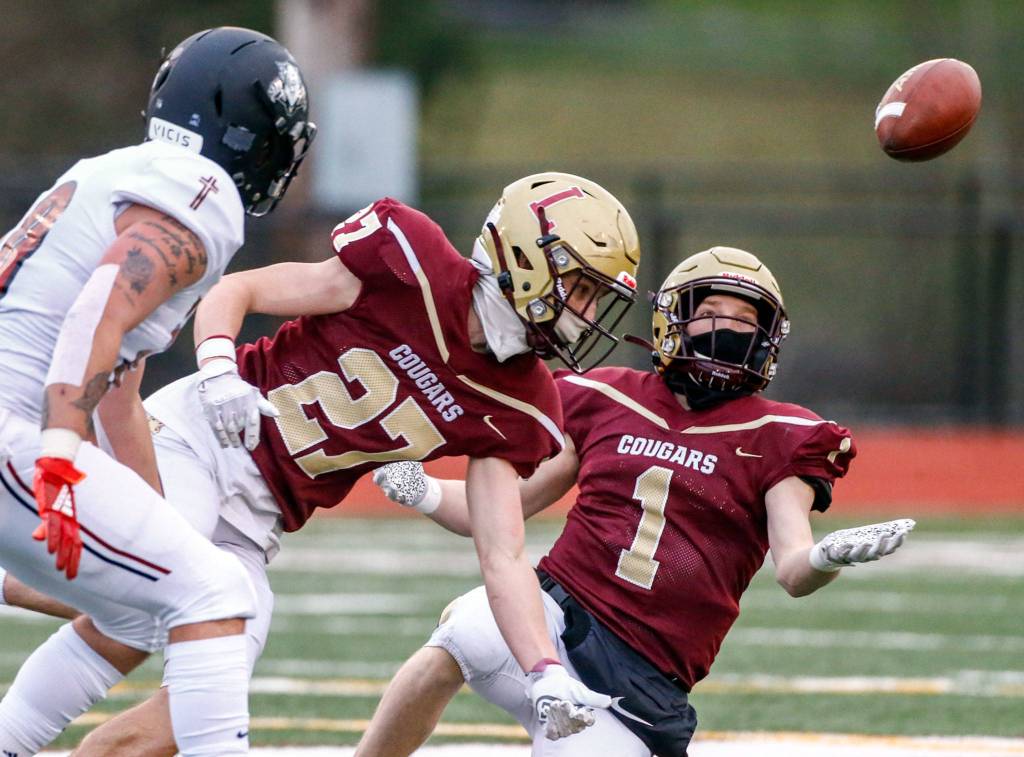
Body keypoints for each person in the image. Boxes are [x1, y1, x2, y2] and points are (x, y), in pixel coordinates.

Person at [0, 172, 642, 754]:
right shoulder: (408, 257)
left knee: (214, 652)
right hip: (203, 436)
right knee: (175, 592)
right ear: (527, 257)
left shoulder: (525, 401)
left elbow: (501, 552)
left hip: (263, 516)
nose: (586, 314)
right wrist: (221, 366)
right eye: (581, 288)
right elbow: (241, 287)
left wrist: (544, 673)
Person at [357, 246, 916, 757]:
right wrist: (424, 490)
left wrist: (827, 559)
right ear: (674, 317)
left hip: (640, 680)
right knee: (459, 637)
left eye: (747, 320)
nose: (729, 327)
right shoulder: (604, 396)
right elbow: (502, 509)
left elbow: (793, 570)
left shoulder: (782, 433)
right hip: (553, 614)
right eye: (713, 310)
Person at [0, 26, 315, 756]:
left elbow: (119, 380)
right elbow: (98, 313)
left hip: (20, 415)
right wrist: (55, 452)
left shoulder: (120, 170)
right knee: (219, 595)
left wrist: (161, 520)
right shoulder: (201, 194)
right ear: (244, 132)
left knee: (146, 610)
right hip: (16, 425)